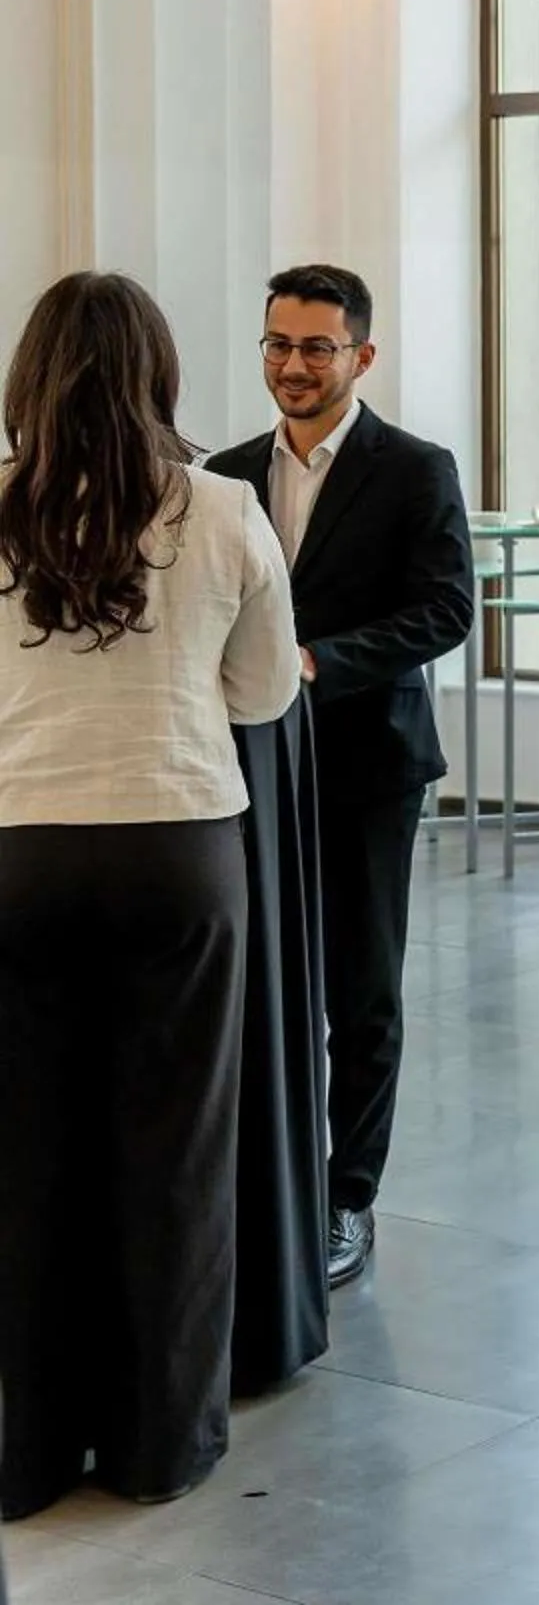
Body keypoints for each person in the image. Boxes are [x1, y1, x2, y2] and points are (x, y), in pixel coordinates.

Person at [0, 272, 300, 1519]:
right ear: (158, 377)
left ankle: (26, 1451)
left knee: (24, 1152)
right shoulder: (225, 507)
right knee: (176, 1151)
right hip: (179, 844)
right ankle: (160, 1441)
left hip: (19, 849)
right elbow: (266, 692)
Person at [205, 266, 474, 1291]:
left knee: (361, 995)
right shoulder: (227, 476)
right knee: (263, 987)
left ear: (361, 355)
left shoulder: (416, 469)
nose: (294, 365)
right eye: (278, 344)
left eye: (317, 347)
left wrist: (320, 662)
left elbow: (446, 611)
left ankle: (346, 1199)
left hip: (369, 765)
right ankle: (266, 1193)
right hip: (248, 765)